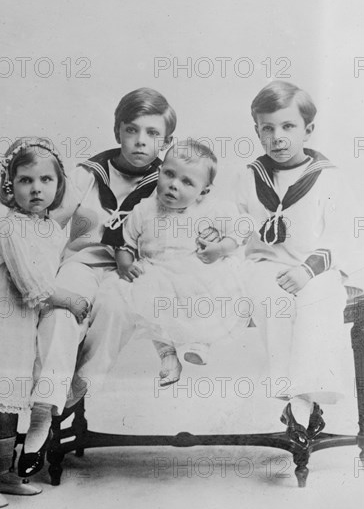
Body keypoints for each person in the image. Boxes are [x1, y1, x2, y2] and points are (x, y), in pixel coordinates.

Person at [19, 88, 177, 475]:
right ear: (117, 130)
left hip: (131, 272)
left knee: (117, 306)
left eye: (153, 133)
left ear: (167, 141)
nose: (141, 141)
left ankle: (73, 391)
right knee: (62, 308)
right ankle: (43, 412)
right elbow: (51, 225)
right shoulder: (88, 174)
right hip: (83, 262)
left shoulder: (168, 182)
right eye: (131, 130)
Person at [0, 137, 89, 508]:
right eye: (25, 180)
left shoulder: (49, 228)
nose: (36, 188)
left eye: (46, 180)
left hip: (24, 327)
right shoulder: (12, 228)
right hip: (1, 325)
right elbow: (31, 284)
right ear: (9, 185)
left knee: (9, 406)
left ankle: (3, 472)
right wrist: (68, 299)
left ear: (58, 185)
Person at [236, 81, 353, 444]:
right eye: (267, 128)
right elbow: (239, 224)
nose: (278, 137)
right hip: (265, 267)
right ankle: (299, 407)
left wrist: (307, 270)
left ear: (308, 129)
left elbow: (341, 234)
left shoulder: (327, 178)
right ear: (257, 131)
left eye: (288, 127)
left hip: (312, 267)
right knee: (276, 299)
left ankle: (299, 408)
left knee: (318, 299)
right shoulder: (250, 176)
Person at [83, 139, 252, 389]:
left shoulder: (212, 209)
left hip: (194, 270)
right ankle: (167, 354)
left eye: (187, 182)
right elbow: (125, 243)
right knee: (143, 295)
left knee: (209, 291)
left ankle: (199, 344)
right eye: (169, 174)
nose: (174, 185)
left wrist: (220, 249)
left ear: (203, 192)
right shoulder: (144, 209)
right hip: (157, 270)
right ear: (160, 172)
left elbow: (239, 232)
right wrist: (125, 264)